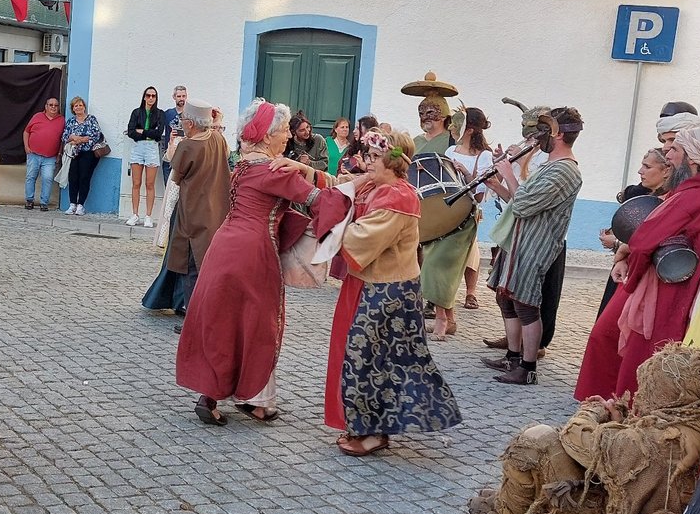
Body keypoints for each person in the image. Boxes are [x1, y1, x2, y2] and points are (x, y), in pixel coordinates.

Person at [177, 99, 347, 425]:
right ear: (267, 135)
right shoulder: (274, 170)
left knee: (223, 320)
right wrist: (357, 189)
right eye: (283, 130)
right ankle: (253, 399)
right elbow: (321, 201)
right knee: (258, 325)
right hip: (254, 251)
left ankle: (212, 397)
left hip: (223, 245)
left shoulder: (241, 164)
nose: (287, 135)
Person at [470, 344, 700, 514]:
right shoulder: (698, 423)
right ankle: (519, 504)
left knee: (536, 439)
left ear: (667, 394)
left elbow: (574, 437)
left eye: (649, 388)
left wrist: (591, 411)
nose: (642, 394)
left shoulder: (654, 440)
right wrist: (620, 421)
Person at [322, 129, 461, 456]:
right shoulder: (378, 186)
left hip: (387, 293)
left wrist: (332, 219)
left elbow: (361, 239)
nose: (366, 161)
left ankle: (373, 433)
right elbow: (343, 185)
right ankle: (369, 427)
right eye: (366, 155)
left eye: (373, 157)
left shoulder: (397, 196)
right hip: (372, 285)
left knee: (369, 361)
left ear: (394, 162)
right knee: (370, 359)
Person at [574, 126, 700, 400]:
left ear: (693, 160)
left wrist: (629, 267)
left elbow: (644, 240)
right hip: (662, 285)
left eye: (675, 149)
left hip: (663, 292)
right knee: (615, 344)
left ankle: (615, 414)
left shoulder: (695, 197)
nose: (668, 153)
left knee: (636, 356)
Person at [481, 107, 585, 385]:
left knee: (526, 304)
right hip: (519, 239)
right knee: (508, 299)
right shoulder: (552, 165)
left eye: (542, 131)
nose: (536, 138)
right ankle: (512, 357)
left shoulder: (565, 171)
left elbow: (525, 203)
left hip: (536, 244)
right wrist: (497, 183)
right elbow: (520, 200)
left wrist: (510, 173)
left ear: (558, 134)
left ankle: (527, 369)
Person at [143, 101, 230, 332]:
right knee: (207, 265)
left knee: (191, 267)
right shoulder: (219, 139)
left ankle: (194, 319)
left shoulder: (188, 146)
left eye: (183, 120)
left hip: (192, 213)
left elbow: (176, 176)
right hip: (216, 211)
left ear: (190, 123)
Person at [413, 88, 474, 337]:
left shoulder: (453, 143)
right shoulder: (416, 142)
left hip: (452, 211)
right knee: (424, 264)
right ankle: (448, 318)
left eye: (433, 112)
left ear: (444, 116)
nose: (427, 117)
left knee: (442, 265)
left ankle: (442, 318)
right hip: (421, 211)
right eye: (423, 112)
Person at [596, 148, 675, 316]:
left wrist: (618, 244)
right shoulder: (643, 196)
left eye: (647, 167)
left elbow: (649, 242)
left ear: (666, 171)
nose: (641, 171)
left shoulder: (665, 205)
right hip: (624, 267)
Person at [443, 108, 493, 319]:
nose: (452, 127)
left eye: (457, 123)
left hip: (469, 209)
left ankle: (470, 292)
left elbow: (480, 193)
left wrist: (465, 171)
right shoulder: (450, 151)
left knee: (469, 250)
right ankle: (441, 296)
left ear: (470, 130)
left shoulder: (484, 155)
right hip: (448, 208)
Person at [124, 86, 165, 227]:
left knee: (150, 184)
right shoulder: (136, 112)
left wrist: (142, 131)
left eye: (153, 96)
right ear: (144, 97)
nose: (151, 98)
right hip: (138, 147)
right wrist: (148, 132)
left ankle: (148, 216)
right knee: (136, 183)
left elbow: (158, 134)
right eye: (148, 95)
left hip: (152, 148)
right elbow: (130, 132)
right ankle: (135, 214)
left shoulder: (160, 114)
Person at [60, 96, 104, 216]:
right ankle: (72, 204)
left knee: (84, 178)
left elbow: (96, 135)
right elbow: (64, 136)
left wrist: (78, 140)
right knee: (73, 178)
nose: (78, 107)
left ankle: (81, 205)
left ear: (84, 107)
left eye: (80, 105)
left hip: (88, 153)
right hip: (74, 154)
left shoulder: (91, 119)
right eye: (76, 106)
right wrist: (73, 138)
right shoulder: (71, 121)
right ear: (73, 109)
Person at [22, 97, 64, 211]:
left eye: (56, 105)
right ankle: (29, 201)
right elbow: (26, 131)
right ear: (46, 106)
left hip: (50, 157)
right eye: (51, 105)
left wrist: (59, 154)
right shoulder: (37, 116)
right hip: (33, 154)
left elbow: (62, 139)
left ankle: (44, 203)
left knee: (47, 178)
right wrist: (26, 147)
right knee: (31, 177)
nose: (53, 107)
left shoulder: (62, 120)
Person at [160, 85, 187, 182]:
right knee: (167, 188)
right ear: (174, 97)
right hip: (169, 155)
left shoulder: (190, 115)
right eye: (179, 96)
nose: (181, 99)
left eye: (183, 96)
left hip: (184, 157)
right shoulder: (167, 113)